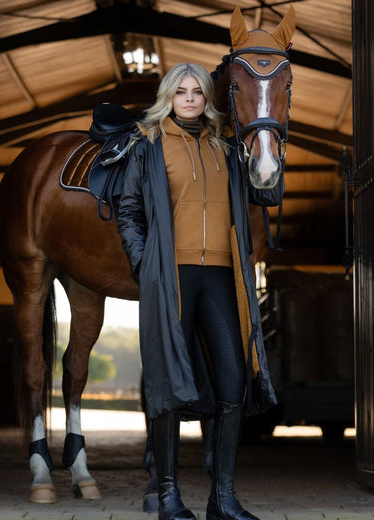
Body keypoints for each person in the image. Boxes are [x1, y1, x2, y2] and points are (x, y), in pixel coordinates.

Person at [117, 63, 283, 520]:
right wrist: (144, 263)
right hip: (171, 275)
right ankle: (169, 496)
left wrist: (271, 138)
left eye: (197, 92)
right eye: (180, 92)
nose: (189, 99)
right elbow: (128, 211)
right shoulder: (147, 146)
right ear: (168, 97)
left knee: (232, 380)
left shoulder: (227, 149)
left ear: (208, 98)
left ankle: (222, 498)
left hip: (221, 277)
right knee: (167, 384)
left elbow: (267, 195)